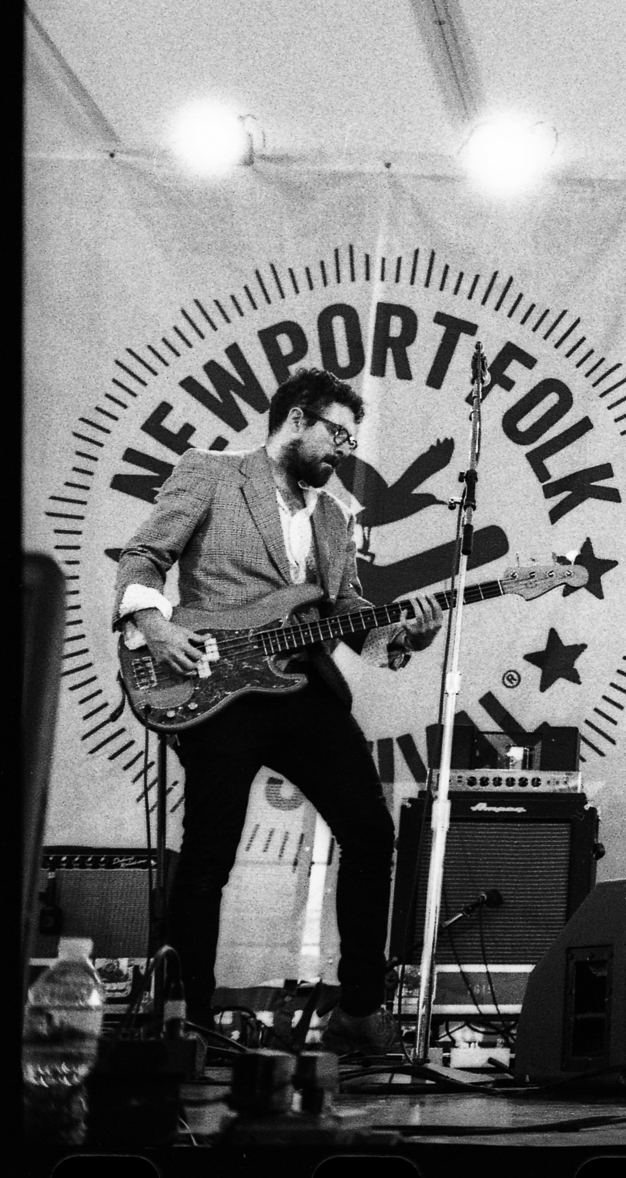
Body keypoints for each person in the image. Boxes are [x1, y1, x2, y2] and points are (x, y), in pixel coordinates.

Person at [115, 368, 444, 1055]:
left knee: (372, 833)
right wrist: (156, 629)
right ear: (296, 418)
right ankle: (191, 1017)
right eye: (336, 434)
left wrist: (406, 629)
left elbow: (346, 611)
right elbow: (145, 555)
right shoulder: (211, 472)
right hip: (216, 687)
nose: (343, 451)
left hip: (303, 691)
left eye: (352, 440)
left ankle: (357, 1010)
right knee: (208, 855)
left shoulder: (333, 516)